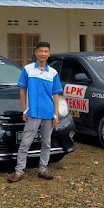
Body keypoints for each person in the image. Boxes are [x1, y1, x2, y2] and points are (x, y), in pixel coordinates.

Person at [8, 42, 62, 182]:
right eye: (41, 51)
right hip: (33, 113)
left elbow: (55, 95)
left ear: (49, 54)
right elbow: (22, 90)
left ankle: (43, 169)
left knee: (46, 143)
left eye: (46, 51)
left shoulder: (53, 73)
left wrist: (56, 114)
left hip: (48, 113)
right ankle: (19, 171)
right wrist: (24, 109)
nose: (43, 54)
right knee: (25, 142)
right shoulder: (27, 70)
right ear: (36, 53)